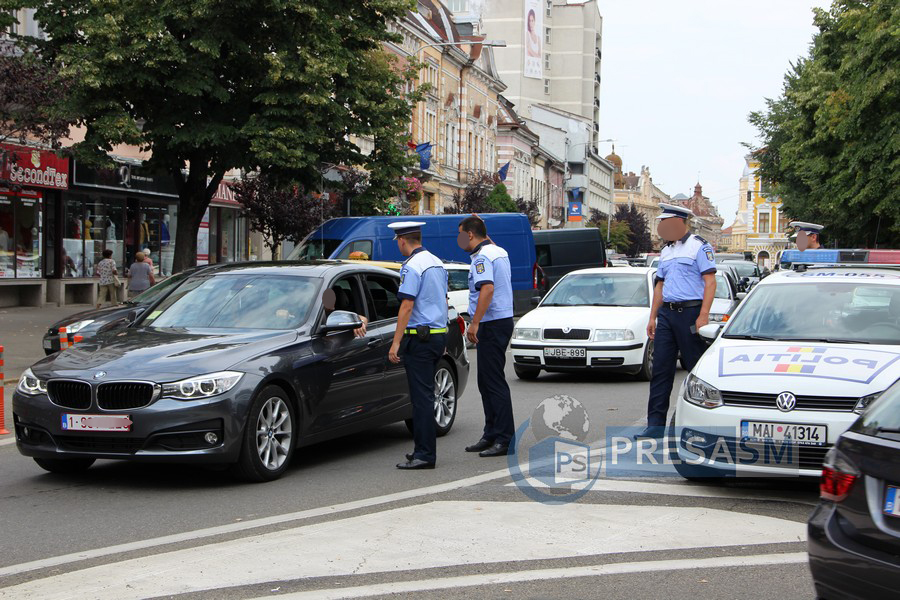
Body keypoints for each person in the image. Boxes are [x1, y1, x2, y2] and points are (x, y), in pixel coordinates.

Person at [636, 203, 717, 439]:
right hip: (667, 315)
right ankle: (655, 425)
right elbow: (660, 285)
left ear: (680, 223)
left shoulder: (699, 247)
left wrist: (703, 315)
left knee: (696, 369)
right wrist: (653, 316)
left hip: (690, 314)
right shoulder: (667, 251)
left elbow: (710, 282)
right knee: (661, 369)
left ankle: (704, 424)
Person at [387, 221, 448, 470]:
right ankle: (422, 449)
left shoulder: (412, 267)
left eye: (398, 242)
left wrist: (396, 342)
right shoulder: (437, 262)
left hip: (419, 339)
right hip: (436, 335)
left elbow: (407, 305)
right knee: (426, 396)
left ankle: (425, 454)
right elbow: (441, 299)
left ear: (402, 240)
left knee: (421, 399)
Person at [458, 215, 515, 457]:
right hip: (501, 320)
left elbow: (487, 289)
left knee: (493, 383)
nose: (458, 239)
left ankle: (504, 438)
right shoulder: (496, 250)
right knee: (486, 381)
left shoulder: (482, 257)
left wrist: (475, 323)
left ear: (470, 234)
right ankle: (491, 433)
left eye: (460, 234)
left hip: (491, 323)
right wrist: (480, 224)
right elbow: (486, 240)